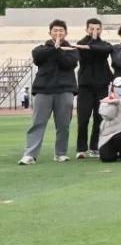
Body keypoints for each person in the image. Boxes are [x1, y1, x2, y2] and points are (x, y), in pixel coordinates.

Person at [19, 20, 80, 165]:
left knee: (63, 124)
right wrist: (55, 48)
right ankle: (30, 155)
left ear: (66, 33)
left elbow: (69, 64)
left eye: (61, 30)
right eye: (55, 30)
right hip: (43, 90)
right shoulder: (41, 48)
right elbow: (38, 58)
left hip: (65, 90)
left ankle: (60, 153)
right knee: (38, 123)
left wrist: (59, 50)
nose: (58, 33)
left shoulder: (72, 50)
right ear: (50, 32)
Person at [74, 17, 113, 159]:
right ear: (86, 29)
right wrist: (91, 42)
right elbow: (85, 55)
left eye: (97, 28)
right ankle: (81, 148)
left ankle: (94, 147)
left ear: (101, 30)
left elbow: (106, 50)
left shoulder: (104, 44)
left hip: (102, 85)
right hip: (85, 86)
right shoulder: (80, 44)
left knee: (99, 117)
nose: (95, 31)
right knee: (83, 117)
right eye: (92, 28)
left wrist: (93, 44)